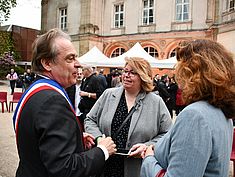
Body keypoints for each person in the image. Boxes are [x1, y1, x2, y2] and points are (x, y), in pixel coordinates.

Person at [13, 28, 116, 177]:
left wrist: (76, 138)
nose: (78, 64)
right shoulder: (52, 101)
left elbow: (39, 139)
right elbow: (65, 169)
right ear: (47, 63)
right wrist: (102, 151)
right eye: (70, 58)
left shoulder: (35, 90)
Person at [141, 39, 235, 177]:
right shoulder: (220, 112)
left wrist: (149, 159)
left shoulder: (195, 115)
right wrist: (155, 148)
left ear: (192, 73)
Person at [85, 57, 173, 177]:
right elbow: (90, 119)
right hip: (105, 164)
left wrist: (147, 146)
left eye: (132, 73)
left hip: (136, 167)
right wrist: (99, 138)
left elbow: (168, 134)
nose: (126, 75)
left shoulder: (156, 102)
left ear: (143, 76)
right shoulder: (108, 95)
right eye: (125, 71)